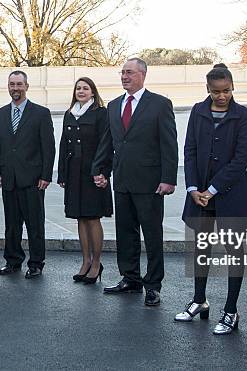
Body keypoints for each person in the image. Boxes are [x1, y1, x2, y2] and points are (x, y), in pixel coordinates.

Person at [178, 64, 247, 334]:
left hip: (231, 196)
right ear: (207, 89)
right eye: (216, 92)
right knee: (201, 249)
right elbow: (189, 150)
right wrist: (193, 188)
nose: (222, 96)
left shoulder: (244, 115)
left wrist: (212, 189)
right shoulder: (198, 112)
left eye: (226, 91)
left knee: (235, 253)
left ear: (232, 87)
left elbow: (241, 159)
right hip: (199, 195)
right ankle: (199, 300)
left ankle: (231, 311)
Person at [102, 58, 178, 306]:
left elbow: (169, 144)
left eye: (130, 73)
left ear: (143, 75)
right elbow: (109, 142)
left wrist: (168, 179)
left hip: (150, 183)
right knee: (125, 233)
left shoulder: (159, 104)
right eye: (122, 73)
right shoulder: (113, 106)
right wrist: (100, 169)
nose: (124, 77)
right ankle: (130, 278)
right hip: (122, 180)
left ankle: (153, 285)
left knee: (152, 234)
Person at [0, 70, 55, 279]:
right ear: (8, 87)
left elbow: (48, 147)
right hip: (9, 178)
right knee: (12, 224)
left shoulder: (41, 113)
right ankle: (13, 260)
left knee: (35, 224)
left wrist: (46, 175)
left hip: (33, 179)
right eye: (12, 84)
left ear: (27, 86)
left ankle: (36, 263)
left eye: (19, 84)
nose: (15, 88)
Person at [57, 77, 113, 284]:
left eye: (85, 88)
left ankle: (97, 263)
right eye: (78, 88)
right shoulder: (69, 114)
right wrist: (62, 173)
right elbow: (64, 144)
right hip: (73, 172)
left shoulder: (100, 113)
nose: (81, 91)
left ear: (93, 92)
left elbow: (106, 144)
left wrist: (103, 172)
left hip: (93, 172)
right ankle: (85, 262)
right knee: (80, 217)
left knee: (92, 217)